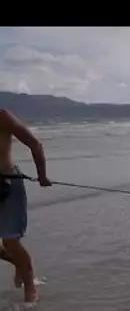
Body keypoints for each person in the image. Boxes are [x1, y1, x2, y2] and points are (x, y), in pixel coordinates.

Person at [0, 109, 51, 303]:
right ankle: (17, 262)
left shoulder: (2, 116)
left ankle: (30, 285)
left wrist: (42, 175)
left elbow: (34, 143)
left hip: (7, 184)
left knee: (10, 240)